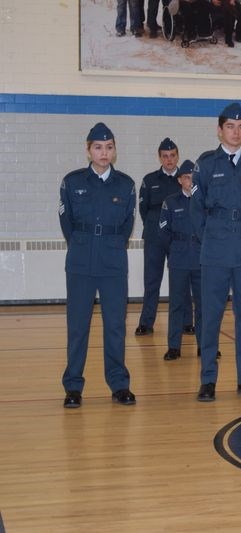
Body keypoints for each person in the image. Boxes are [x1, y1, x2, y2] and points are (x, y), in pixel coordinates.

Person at [190, 102, 241, 402]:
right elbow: (196, 209)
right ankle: (208, 379)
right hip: (215, 244)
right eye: (230, 127)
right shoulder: (206, 164)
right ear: (219, 129)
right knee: (210, 315)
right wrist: (211, 237)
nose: (236, 132)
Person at [59, 123, 136, 408]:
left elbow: (127, 222)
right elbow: (66, 221)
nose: (104, 153)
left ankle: (119, 385)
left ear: (115, 150)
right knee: (78, 326)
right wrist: (81, 243)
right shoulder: (72, 181)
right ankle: (73, 386)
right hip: (80, 262)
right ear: (89, 150)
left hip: (113, 262)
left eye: (109, 147)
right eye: (98, 147)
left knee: (115, 325)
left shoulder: (126, 184)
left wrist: (111, 246)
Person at [136, 137, 192, 337]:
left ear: (178, 156)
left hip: (179, 238)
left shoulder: (187, 178)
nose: (169, 159)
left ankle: (187, 322)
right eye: (165, 156)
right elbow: (143, 209)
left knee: (183, 280)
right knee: (152, 280)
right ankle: (146, 322)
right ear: (160, 157)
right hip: (155, 237)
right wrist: (156, 228)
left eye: (173, 155)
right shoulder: (150, 180)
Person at [159, 160, 211, 361]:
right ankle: (174, 347)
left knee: (204, 305)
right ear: (180, 180)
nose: (190, 181)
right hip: (179, 259)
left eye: (193, 178)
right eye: (187, 178)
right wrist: (174, 251)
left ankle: (204, 346)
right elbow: (163, 233)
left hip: (201, 259)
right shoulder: (171, 202)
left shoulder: (205, 201)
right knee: (176, 304)